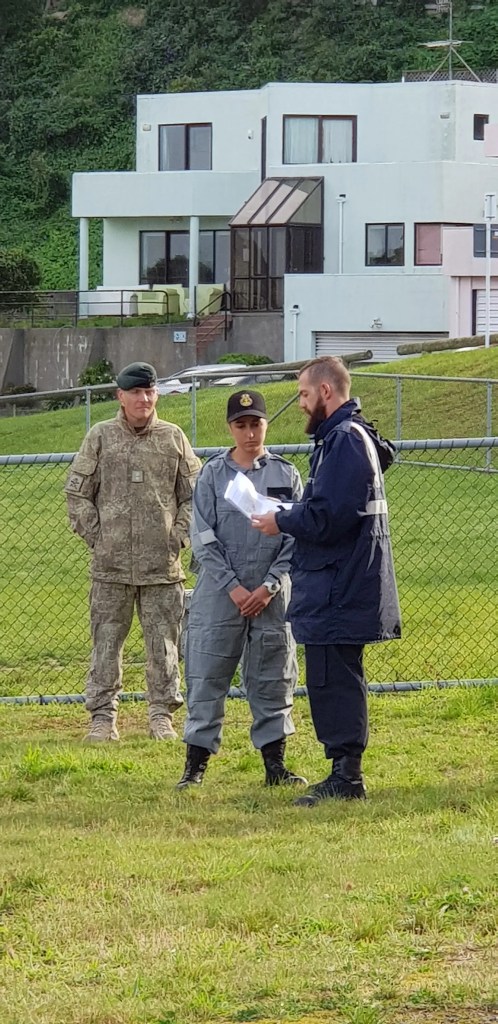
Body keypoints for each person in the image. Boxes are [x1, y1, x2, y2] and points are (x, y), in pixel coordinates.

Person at [252, 356, 401, 806]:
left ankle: (347, 776)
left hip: (341, 581)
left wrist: (282, 519)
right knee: (329, 677)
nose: (300, 403)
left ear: (327, 392)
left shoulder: (345, 440)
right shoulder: (344, 437)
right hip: (338, 579)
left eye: (303, 393)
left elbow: (330, 517)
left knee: (335, 679)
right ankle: (342, 770)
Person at [177, 389, 307, 789]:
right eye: (241, 425)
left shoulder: (286, 475)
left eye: (256, 424)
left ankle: (275, 766)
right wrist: (233, 587)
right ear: (231, 427)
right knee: (206, 674)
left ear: (266, 424)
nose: (250, 433)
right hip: (220, 595)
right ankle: (195, 768)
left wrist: (269, 586)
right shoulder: (213, 475)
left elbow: (297, 538)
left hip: (270, 596)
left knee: (273, 676)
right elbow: (202, 535)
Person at [65, 361, 201, 742]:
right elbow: (77, 494)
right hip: (111, 569)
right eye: (136, 393)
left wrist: (177, 536)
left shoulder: (173, 438)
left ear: (156, 394)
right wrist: (99, 537)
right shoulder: (101, 437)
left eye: (149, 391)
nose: (144, 399)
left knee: (164, 645)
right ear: (120, 397)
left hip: (162, 568)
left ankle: (162, 715)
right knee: (106, 644)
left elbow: (196, 495)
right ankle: (103, 717)